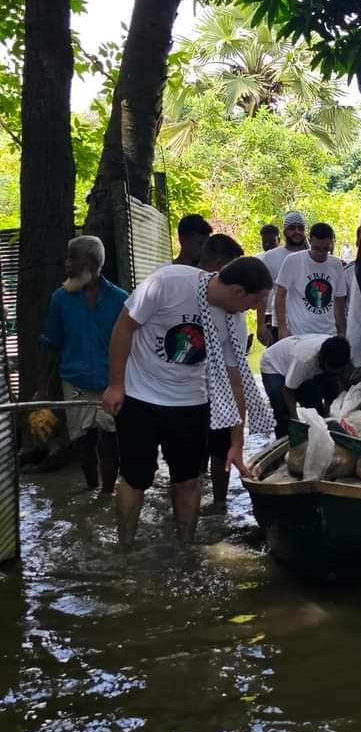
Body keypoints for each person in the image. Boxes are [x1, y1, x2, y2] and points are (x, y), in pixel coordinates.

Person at [102, 257, 272, 548]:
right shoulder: (168, 283)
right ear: (238, 291)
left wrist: (237, 441)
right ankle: (125, 548)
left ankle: (185, 548)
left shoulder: (234, 321)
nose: (254, 309)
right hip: (140, 394)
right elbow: (123, 327)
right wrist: (116, 385)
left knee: (189, 479)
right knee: (135, 477)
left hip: (191, 401)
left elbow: (235, 381)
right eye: (256, 301)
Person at [38, 235, 127, 494]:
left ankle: (106, 496)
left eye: (73, 258)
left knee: (110, 442)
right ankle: (91, 489)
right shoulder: (60, 299)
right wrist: (42, 387)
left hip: (111, 383)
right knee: (84, 442)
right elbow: (51, 342)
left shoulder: (120, 299)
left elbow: (132, 343)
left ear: (92, 262)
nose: (67, 264)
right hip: (75, 383)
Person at [198, 234, 246, 510]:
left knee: (220, 448)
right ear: (218, 265)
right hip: (183, 391)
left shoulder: (233, 310)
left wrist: (237, 436)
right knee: (188, 461)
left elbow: (237, 373)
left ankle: (219, 505)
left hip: (219, 390)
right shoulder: (180, 291)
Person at [260, 334, 352, 438]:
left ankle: (324, 435)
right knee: (282, 411)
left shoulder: (339, 351)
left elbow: (336, 386)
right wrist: (296, 420)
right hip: (273, 364)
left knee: (316, 406)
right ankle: (285, 444)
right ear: (322, 360)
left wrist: (333, 414)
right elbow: (288, 390)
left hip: (296, 360)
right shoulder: (304, 360)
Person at [276, 222, 347, 339]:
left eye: (326, 249)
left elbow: (339, 301)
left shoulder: (336, 264)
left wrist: (342, 331)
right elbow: (280, 294)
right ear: (309, 241)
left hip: (328, 334)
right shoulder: (293, 261)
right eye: (316, 248)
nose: (321, 253)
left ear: (331, 244)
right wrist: (282, 327)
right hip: (299, 333)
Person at [256, 211, 308, 346]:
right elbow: (263, 293)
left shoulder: (312, 256)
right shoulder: (270, 257)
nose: (296, 232)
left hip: (308, 321)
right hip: (279, 322)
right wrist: (261, 324)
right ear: (284, 231)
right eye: (292, 228)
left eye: (300, 228)